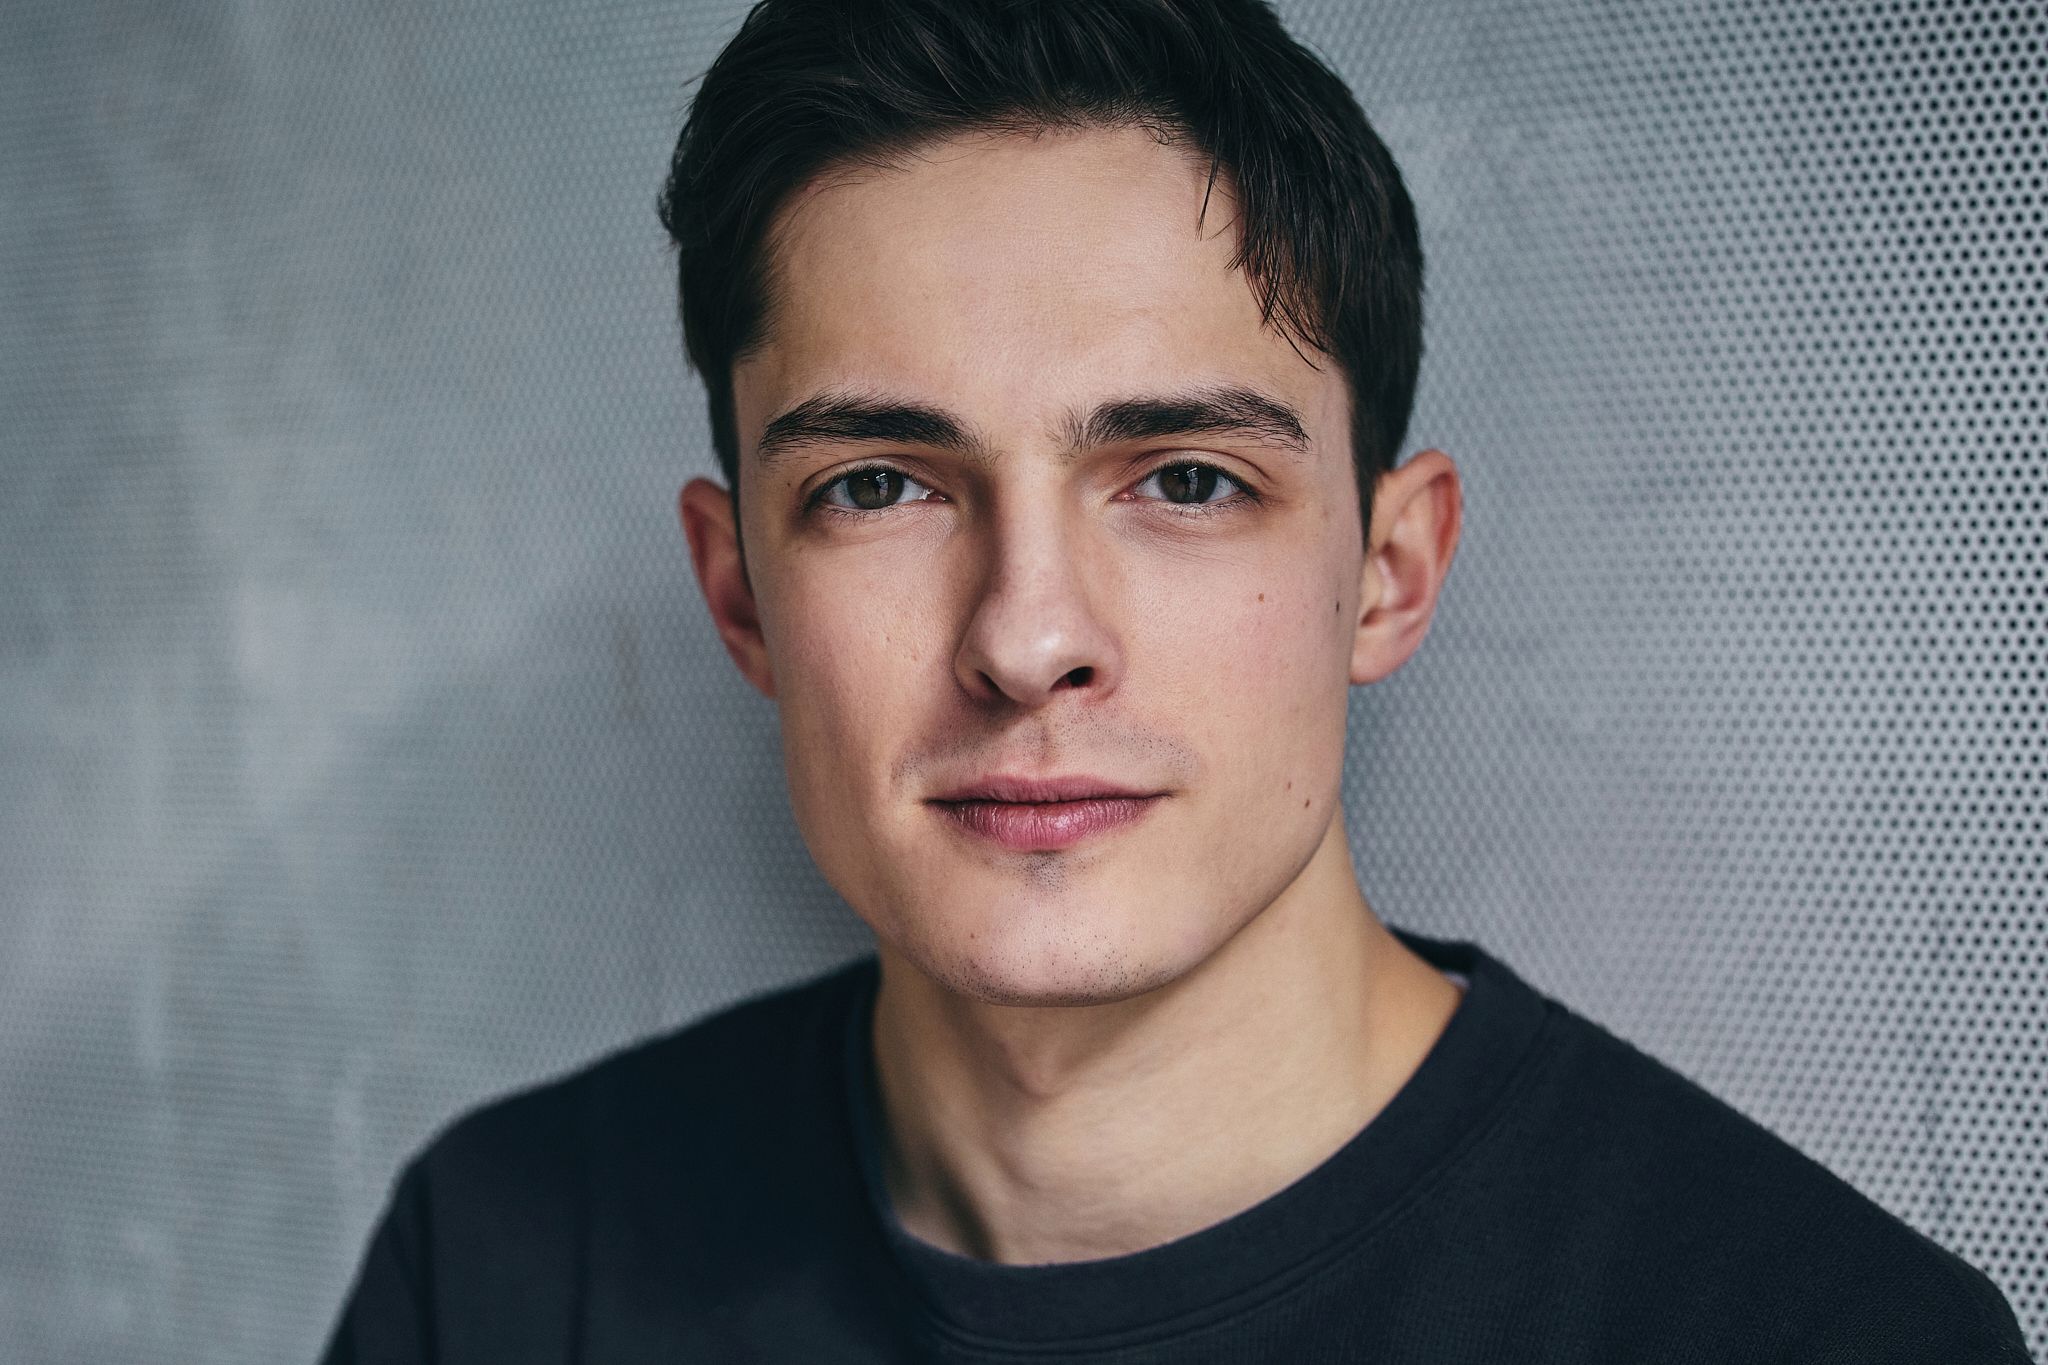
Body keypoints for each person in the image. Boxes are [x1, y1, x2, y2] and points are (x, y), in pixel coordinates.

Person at [319, 0, 2033, 1359]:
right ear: (739, 596)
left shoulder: (1813, 1335)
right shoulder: (506, 1269)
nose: (1027, 636)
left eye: (1189, 478)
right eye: (881, 485)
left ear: (1389, 570)